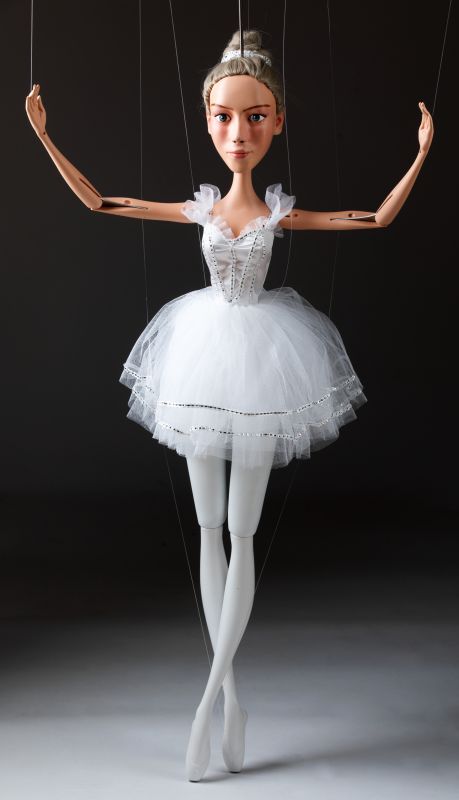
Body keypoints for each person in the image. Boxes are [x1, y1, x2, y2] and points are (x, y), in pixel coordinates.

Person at [25, 28, 434, 782]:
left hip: (260, 362)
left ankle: (213, 698)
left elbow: (373, 220)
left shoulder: (275, 213)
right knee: (209, 527)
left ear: (277, 123)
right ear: (206, 121)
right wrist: (46, 139)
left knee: (240, 533)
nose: (237, 133)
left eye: (254, 116)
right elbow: (103, 201)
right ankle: (228, 695)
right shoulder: (201, 209)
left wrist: (418, 157)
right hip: (202, 355)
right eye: (222, 117)